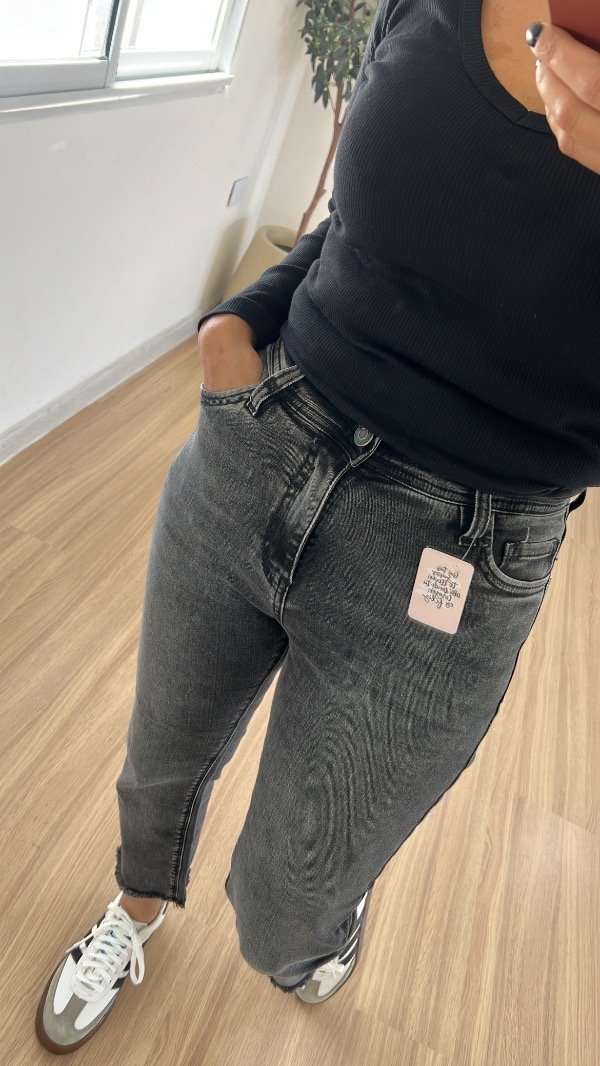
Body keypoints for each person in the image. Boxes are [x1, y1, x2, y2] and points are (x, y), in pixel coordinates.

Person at [36, 0, 599, 1053]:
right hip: (260, 442)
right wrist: (235, 323)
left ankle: (318, 933)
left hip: (457, 559)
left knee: (284, 911)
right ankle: (134, 911)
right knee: (157, 760)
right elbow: (359, 218)